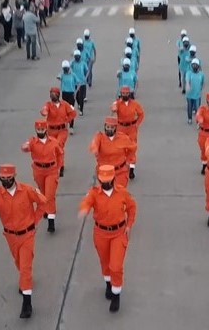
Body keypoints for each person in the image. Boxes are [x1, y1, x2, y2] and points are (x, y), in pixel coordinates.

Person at [0, 164, 48, 319]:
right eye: (2, 178)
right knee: (19, 263)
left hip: (27, 234)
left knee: (26, 266)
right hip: (10, 236)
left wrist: (34, 220)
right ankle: (25, 280)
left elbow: (43, 202)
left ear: (14, 176)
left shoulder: (27, 190)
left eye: (8, 178)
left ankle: (27, 303)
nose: (5, 181)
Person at [78, 164, 137, 313]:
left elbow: (132, 207)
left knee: (115, 266)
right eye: (102, 180)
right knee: (105, 263)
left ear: (113, 179)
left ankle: (116, 295)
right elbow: (86, 202)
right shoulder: (94, 193)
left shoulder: (122, 192)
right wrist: (84, 209)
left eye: (108, 180)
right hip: (101, 233)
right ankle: (108, 284)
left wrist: (129, 224)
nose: (105, 183)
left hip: (118, 233)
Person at [21, 119, 63, 233]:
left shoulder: (53, 142)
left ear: (46, 129)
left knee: (49, 195)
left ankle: (51, 220)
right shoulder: (33, 142)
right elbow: (26, 147)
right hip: (38, 170)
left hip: (51, 171)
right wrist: (24, 147)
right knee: (43, 193)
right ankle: (46, 209)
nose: (40, 131)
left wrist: (58, 167)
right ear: (36, 130)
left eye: (42, 129)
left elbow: (60, 154)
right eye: (38, 129)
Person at [88, 116, 136, 188]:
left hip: (120, 171)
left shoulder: (123, 138)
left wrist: (129, 160)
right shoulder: (100, 137)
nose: (109, 129)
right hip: (105, 172)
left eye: (112, 127)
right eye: (107, 127)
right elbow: (94, 144)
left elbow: (133, 147)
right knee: (107, 194)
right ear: (105, 127)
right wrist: (95, 150)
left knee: (120, 193)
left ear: (116, 128)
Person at [109, 87, 144, 179]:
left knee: (132, 147)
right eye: (123, 93)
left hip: (132, 128)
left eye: (126, 93)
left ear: (129, 94)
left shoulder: (135, 104)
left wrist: (137, 124)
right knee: (120, 147)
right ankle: (121, 166)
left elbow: (141, 114)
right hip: (121, 128)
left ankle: (131, 169)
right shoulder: (117, 103)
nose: (124, 95)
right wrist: (113, 108)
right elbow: (113, 109)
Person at [40, 85, 76, 175]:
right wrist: (44, 112)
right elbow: (44, 110)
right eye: (51, 93)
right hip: (51, 130)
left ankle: (60, 166)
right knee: (52, 148)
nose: (52, 95)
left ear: (58, 95)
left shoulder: (64, 104)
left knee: (59, 146)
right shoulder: (48, 105)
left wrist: (67, 121)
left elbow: (73, 113)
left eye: (54, 93)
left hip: (62, 130)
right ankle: (55, 163)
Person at [184, 54, 205, 124]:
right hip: (189, 94)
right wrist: (187, 85)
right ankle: (189, 118)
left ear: (198, 66)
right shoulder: (189, 73)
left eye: (196, 65)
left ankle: (198, 120)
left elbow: (202, 82)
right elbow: (187, 80)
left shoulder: (201, 74)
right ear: (191, 65)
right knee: (189, 107)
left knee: (198, 109)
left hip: (197, 95)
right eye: (193, 65)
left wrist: (201, 88)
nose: (194, 66)